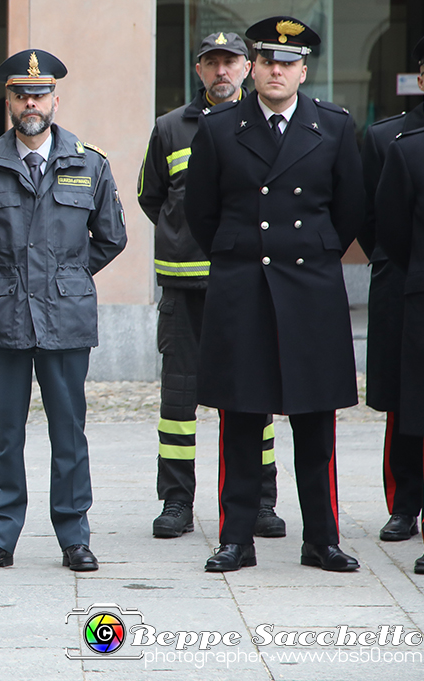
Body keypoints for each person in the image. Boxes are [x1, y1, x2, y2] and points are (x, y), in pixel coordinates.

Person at [184, 16, 365, 573]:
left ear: (303, 70)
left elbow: (351, 206)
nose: (277, 72)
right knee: (241, 418)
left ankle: (322, 538)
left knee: (315, 422)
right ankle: (236, 538)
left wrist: (314, 250)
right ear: (252, 68)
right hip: (244, 289)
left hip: (310, 289)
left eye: (289, 64)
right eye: (267, 62)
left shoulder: (332, 126)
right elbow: (201, 212)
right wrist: (237, 256)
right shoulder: (219, 128)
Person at [0, 49, 127, 572]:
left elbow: (110, 237)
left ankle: (74, 535)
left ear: (56, 99)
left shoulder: (89, 163)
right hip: (4, 316)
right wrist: (11, 279)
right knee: (5, 431)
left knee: (68, 430)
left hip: (66, 318)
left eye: (41, 93)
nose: (32, 102)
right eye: (22, 94)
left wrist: (66, 276)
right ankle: (0, 536)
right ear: (7, 100)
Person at [136, 32, 286, 540]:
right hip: (185, 288)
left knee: (253, 400)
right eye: (211, 63)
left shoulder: (264, 124)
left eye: (230, 62)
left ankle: (259, 501)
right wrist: (187, 239)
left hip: (245, 284)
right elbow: (151, 197)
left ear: (247, 67)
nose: (222, 71)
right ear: (198, 71)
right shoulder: (170, 128)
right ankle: (176, 501)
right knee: (178, 404)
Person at [359, 31, 424, 547]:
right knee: (404, 399)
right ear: (421, 78)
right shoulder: (388, 139)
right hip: (404, 283)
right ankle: (404, 503)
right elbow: (373, 219)